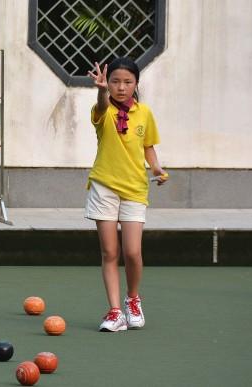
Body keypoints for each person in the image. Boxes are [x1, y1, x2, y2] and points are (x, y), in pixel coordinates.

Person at [86, 57, 167, 332]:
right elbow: (101, 106)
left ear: (136, 84)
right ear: (108, 83)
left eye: (127, 82)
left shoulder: (144, 113)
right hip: (104, 186)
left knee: (132, 252)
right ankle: (115, 312)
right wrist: (100, 91)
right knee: (110, 251)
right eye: (115, 81)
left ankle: (133, 299)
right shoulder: (103, 110)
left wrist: (156, 168)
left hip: (135, 189)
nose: (121, 87)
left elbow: (148, 147)